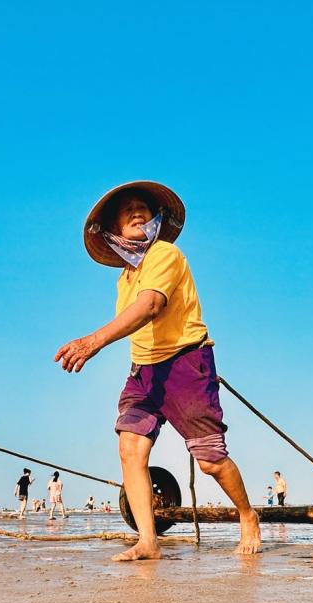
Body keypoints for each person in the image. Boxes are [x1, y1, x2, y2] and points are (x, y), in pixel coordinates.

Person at [55, 181, 260, 559]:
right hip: (144, 373)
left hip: (185, 363)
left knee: (210, 460)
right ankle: (148, 541)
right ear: (114, 228)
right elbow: (134, 324)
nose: (137, 212)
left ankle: (248, 515)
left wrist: (92, 342)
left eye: (143, 209)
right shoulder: (124, 278)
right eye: (127, 210)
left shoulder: (164, 254)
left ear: (155, 220)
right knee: (130, 446)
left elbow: (149, 307)